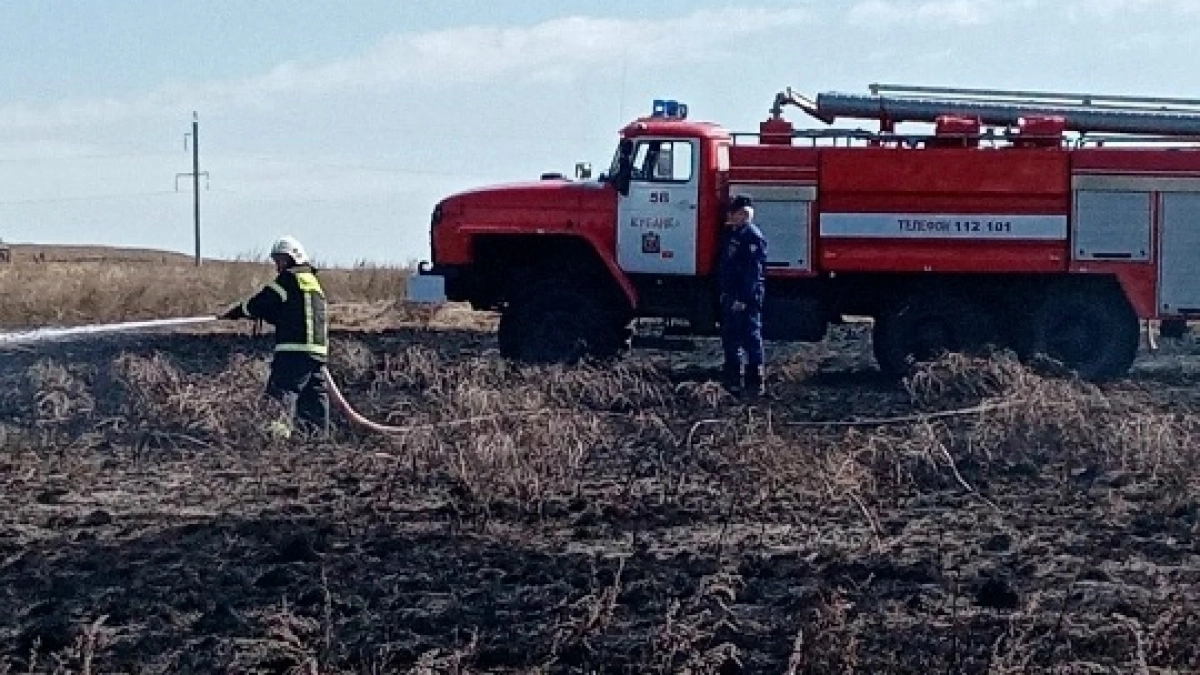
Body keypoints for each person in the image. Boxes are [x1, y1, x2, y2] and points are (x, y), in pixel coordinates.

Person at [218, 236, 330, 438]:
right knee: (313, 396)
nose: (278, 266)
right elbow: (289, 313)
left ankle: (275, 438)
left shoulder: (289, 279)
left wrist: (237, 312)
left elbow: (262, 302)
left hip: (294, 350)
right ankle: (317, 440)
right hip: (317, 351)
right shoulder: (312, 282)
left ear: (294, 258)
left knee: (282, 390)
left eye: (281, 260)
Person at [718, 195, 768, 396]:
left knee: (750, 336)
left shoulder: (751, 237)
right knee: (731, 336)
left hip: (745, 296)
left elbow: (753, 273)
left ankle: (755, 381)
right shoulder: (734, 234)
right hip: (731, 293)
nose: (731, 216)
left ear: (743, 214)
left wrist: (743, 298)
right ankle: (734, 376)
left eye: (735, 213)